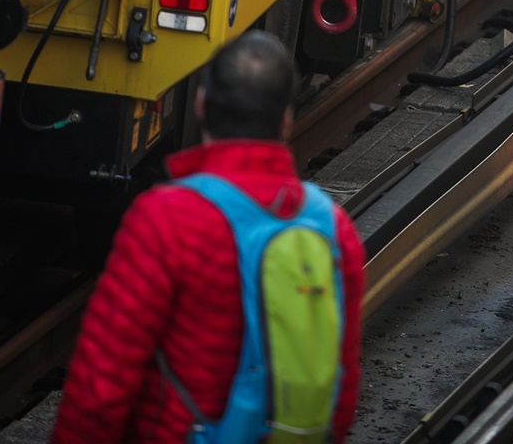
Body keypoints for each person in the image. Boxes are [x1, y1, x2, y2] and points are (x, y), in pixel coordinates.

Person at [53, 32, 365, 443]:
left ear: (201, 105)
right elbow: (339, 385)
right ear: (286, 119)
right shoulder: (332, 227)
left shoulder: (167, 219)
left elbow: (101, 387)